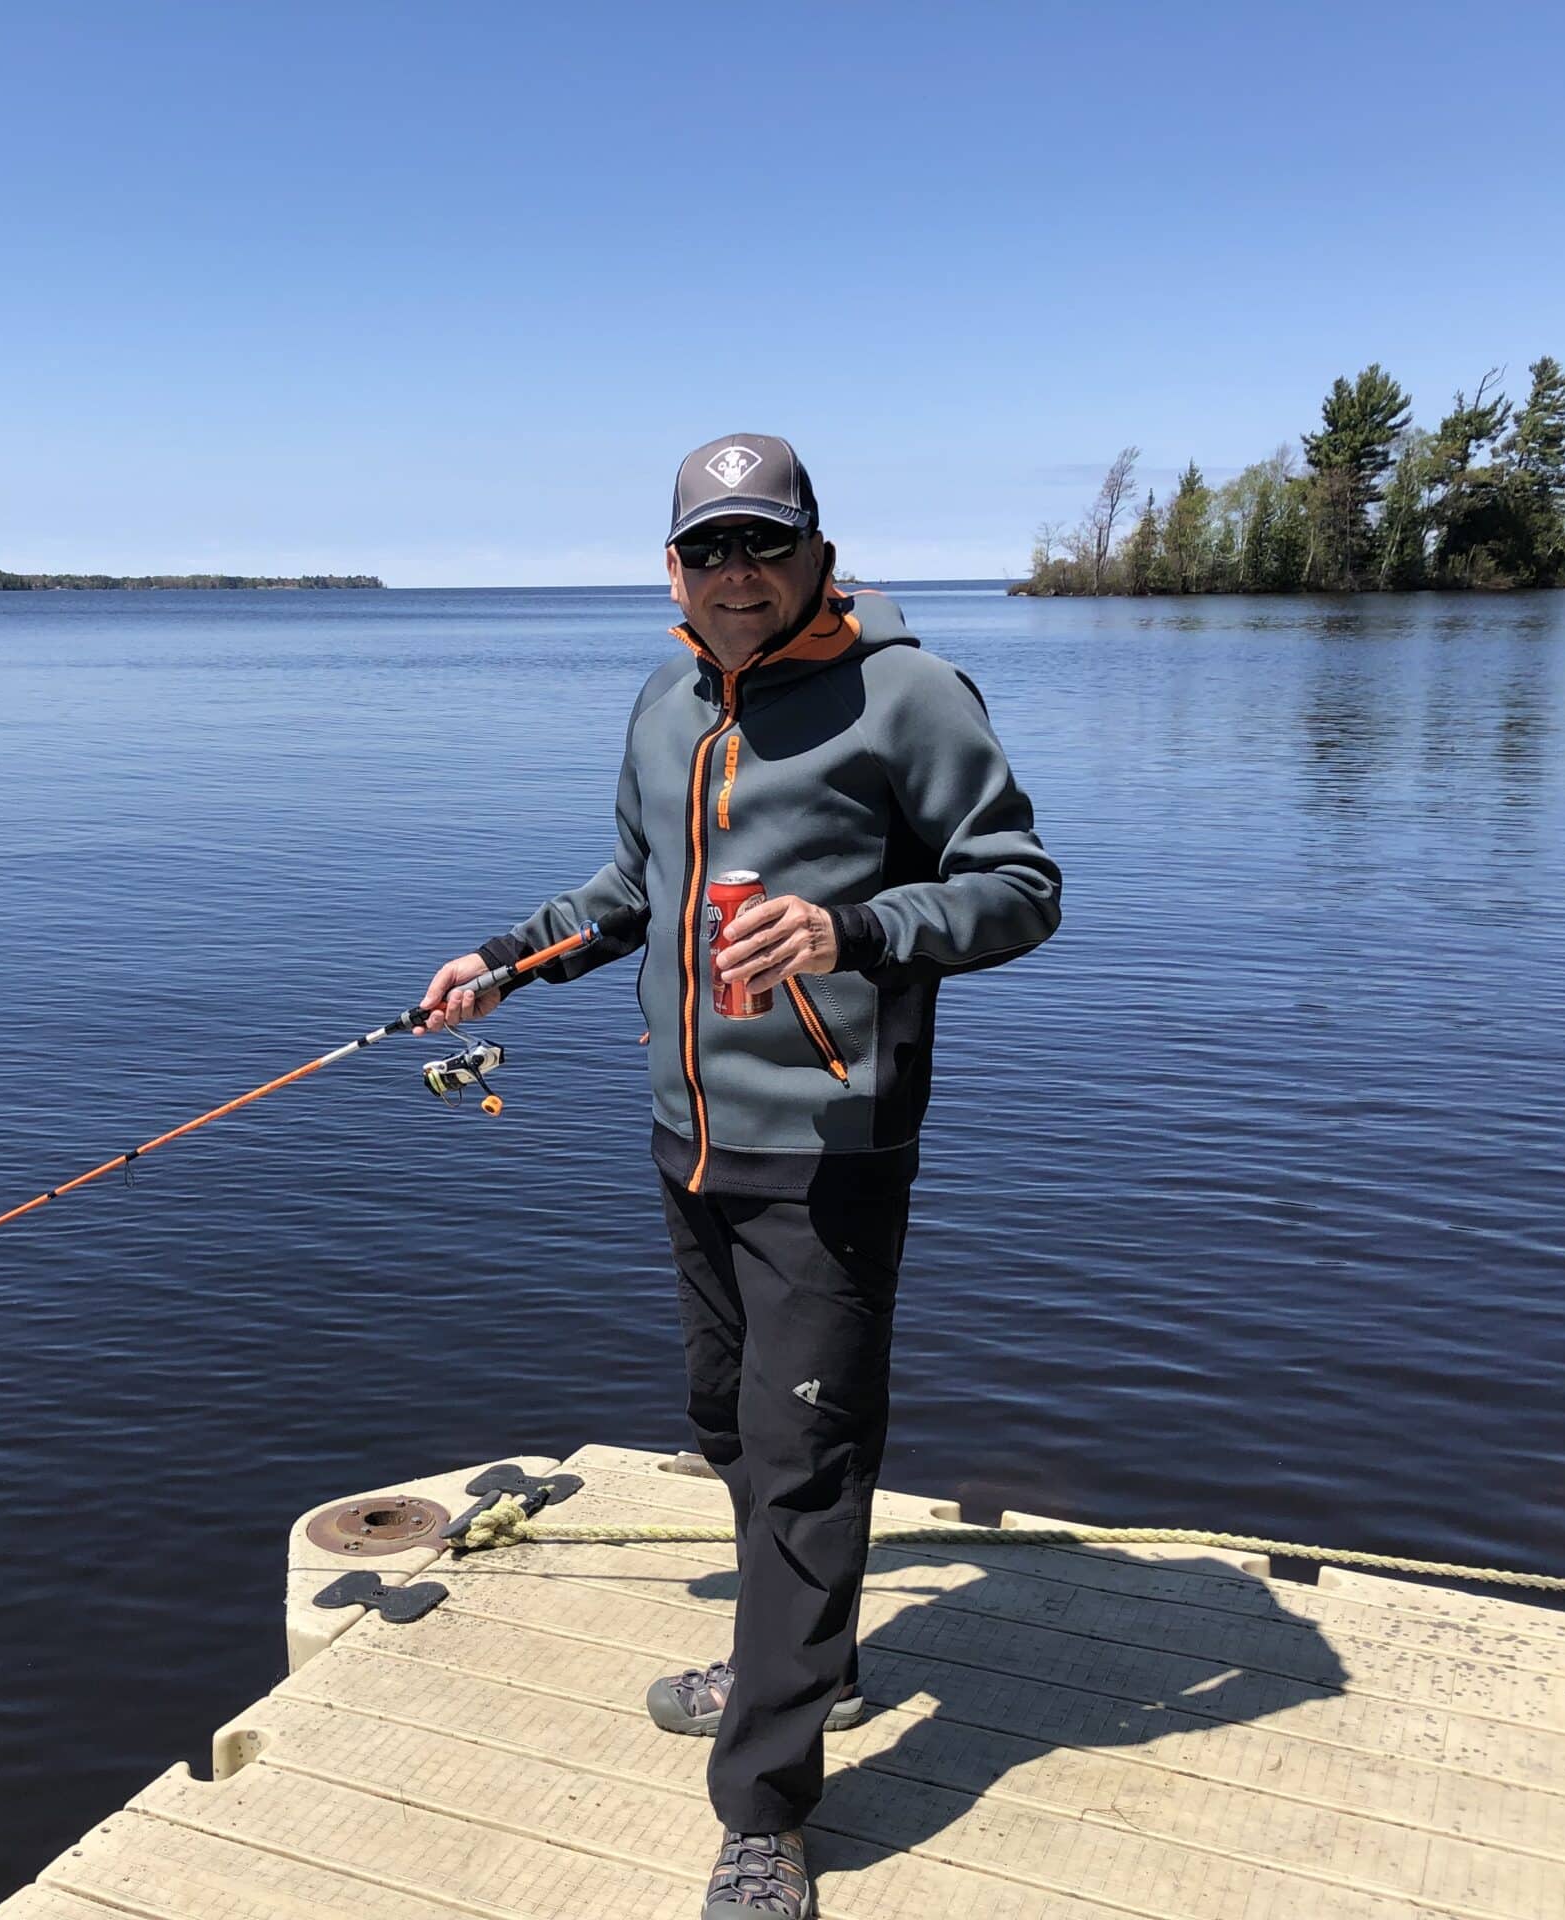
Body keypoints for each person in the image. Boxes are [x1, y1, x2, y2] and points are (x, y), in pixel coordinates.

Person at [418, 433, 1061, 1919]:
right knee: (726, 1415)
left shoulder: (908, 694)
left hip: (831, 1149)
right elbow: (635, 893)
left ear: (817, 551)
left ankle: (766, 1806)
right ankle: (804, 1651)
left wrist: (858, 935)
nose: (737, 574)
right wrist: (512, 962)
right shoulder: (667, 700)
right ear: (671, 569)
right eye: (709, 550)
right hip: (688, 1137)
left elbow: (1021, 886)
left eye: (763, 544)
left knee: (805, 1456)